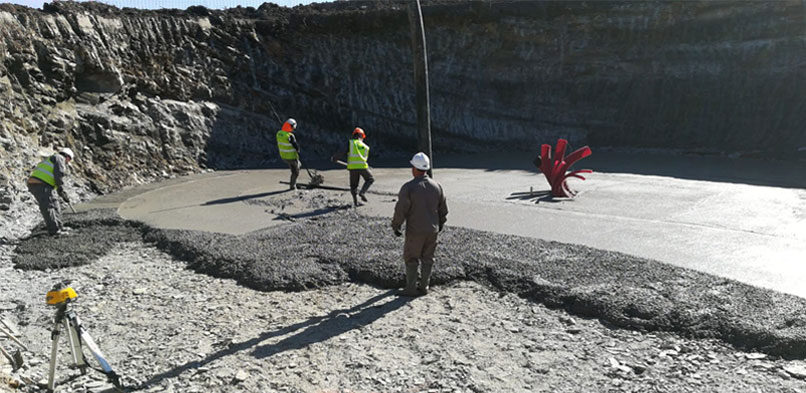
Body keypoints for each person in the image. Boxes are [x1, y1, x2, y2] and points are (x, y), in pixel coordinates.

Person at [391, 152, 448, 296]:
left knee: (411, 258)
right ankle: (424, 287)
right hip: (432, 230)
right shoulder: (437, 186)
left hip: (415, 230)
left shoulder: (409, 187)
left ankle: (410, 288)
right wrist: (440, 224)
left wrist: (396, 225)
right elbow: (443, 209)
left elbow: (401, 209)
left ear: (415, 168)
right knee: (428, 258)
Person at [27, 147, 75, 236]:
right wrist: (60, 188)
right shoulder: (59, 158)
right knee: (49, 206)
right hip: (40, 184)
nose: (67, 163)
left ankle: (59, 226)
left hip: (45, 184)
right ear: (67, 157)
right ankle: (54, 231)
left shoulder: (52, 158)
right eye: (68, 161)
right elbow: (59, 174)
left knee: (55, 204)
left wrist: (59, 190)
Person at [331, 127, 374, 207]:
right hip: (363, 167)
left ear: (354, 135)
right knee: (370, 179)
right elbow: (363, 158)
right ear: (361, 136)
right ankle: (362, 192)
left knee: (353, 186)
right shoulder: (365, 146)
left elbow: (342, 152)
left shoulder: (350, 143)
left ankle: (355, 202)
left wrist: (335, 158)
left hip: (352, 168)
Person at [275, 118, 300, 190]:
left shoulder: (279, 133)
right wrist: (297, 148)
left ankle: (293, 182)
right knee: (296, 172)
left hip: (284, 157)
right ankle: (292, 186)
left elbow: (283, 136)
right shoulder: (290, 136)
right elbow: (296, 146)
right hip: (291, 157)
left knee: (293, 168)